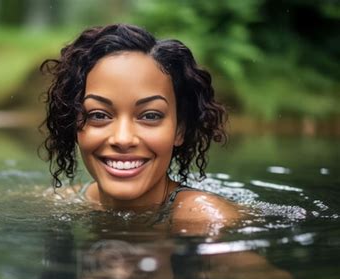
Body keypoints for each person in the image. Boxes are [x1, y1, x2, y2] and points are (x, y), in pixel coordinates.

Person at [40, 23, 240, 235]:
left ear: (179, 129)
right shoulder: (65, 199)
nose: (123, 139)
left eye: (150, 116)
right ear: (74, 125)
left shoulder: (204, 218)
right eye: (99, 115)